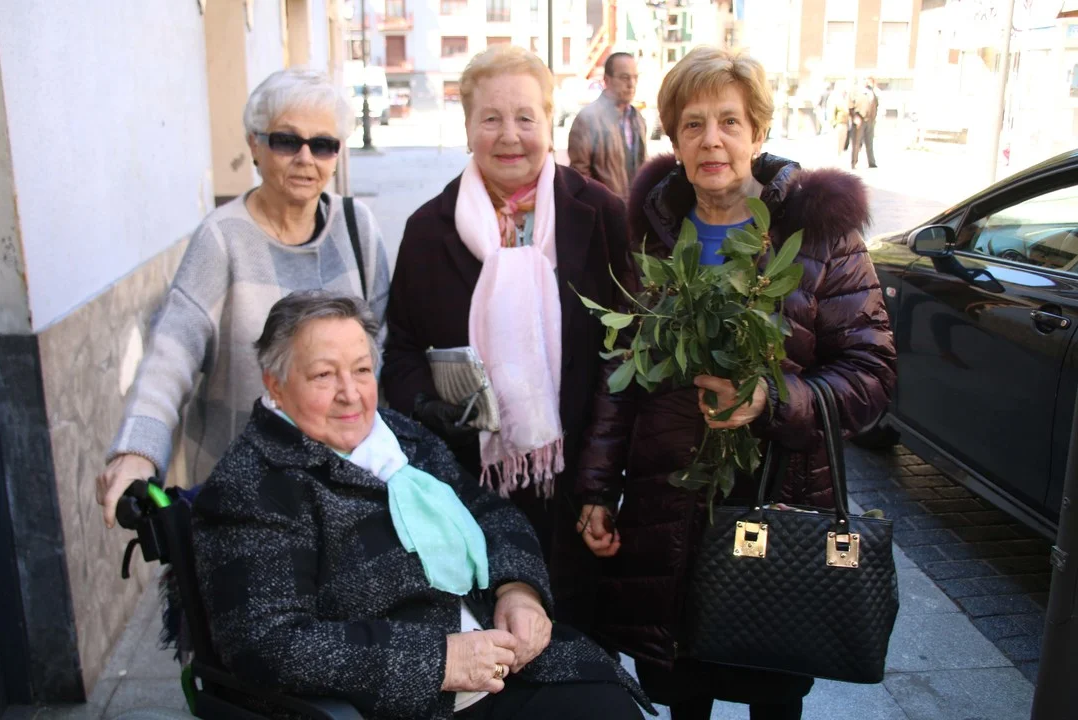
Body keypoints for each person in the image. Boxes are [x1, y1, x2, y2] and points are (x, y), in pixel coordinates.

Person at [574, 47, 896, 720]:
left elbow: (871, 376)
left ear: (758, 132)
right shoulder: (653, 235)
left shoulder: (820, 236)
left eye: (729, 121)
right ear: (673, 138)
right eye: (692, 124)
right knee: (682, 690)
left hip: (777, 510)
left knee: (770, 690)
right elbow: (620, 375)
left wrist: (771, 400)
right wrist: (598, 490)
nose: (711, 140)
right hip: (667, 515)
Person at [191, 291, 653, 720]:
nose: (350, 393)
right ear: (274, 384)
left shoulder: (398, 436)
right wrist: (439, 661)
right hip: (403, 703)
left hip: (499, 662)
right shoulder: (253, 484)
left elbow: (491, 513)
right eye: (323, 375)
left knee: (609, 707)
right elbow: (268, 643)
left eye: (361, 370)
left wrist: (518, 589)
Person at [380, 45, 634, 632]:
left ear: (549, 121)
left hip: (579, 494)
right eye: (491, 118)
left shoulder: (600, 217)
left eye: (525, 117)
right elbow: (401, 351)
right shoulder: (427, 231)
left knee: (579, 652)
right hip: (470, 494)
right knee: (490, 658)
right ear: (467, 126)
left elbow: (628, 356)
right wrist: (428, 406)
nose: (510, 136)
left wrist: (602, 485)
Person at [96, 68, 390, 528]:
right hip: (245, 496)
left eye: (323, 145)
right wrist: (138, 452)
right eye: (286, 141)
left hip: (345, 484)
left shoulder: (357, 227)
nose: (306, 158)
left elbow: (381, 346)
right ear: (254, 144)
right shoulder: (223, 238)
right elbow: (171, 352)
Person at [567, 51, 647, 200]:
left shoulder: (637, 118)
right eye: (625, 77)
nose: (631, 84)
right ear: (607, 80)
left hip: (634, 207)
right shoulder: (587, 119)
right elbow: (579, 176)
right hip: (605, 209)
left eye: (635, 77)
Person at [851, 76, 879, 169]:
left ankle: (871, 162)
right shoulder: (856, 91)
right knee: (857, 142)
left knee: (869, 142)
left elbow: (876, 104)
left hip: (870, 120)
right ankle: (854, 162)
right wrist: (854, 117)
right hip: (860, 119)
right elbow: (850, 105)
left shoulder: (872, 92)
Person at [826, 83, 851, 157]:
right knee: (836, 142)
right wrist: (833, 123)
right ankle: (836, 156)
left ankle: (840, 155)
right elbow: (831, 111)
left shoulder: (845, 99)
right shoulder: (835, 99)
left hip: (845, 123)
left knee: (842, 141)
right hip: (838, 123)